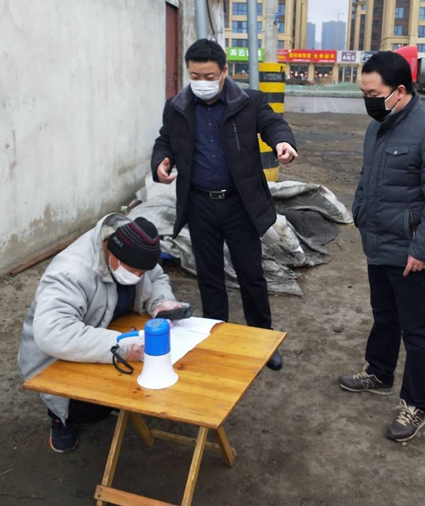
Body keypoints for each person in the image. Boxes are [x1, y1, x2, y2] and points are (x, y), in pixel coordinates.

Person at [151, 39, 297, 371]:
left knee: (251, 275)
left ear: (224, 71)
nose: (201, 82)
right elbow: (165, 139)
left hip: (239, 204)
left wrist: (283, 142)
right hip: (199, 204)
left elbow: (273, 124)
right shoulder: (177, 106)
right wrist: (161, 159)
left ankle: (262, 340)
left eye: (209, 76)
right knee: (209, 277)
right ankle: (215, 337)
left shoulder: (249, 102)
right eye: (195, 76)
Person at [339, 51, 425, 443]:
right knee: (384, 316)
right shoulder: (378, 128)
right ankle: (379, 373)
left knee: (418, 330)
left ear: (400, 91)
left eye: (374, 94)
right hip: (379, 244)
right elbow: (366, 178)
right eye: (364, 93)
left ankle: (416, 403)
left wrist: (423, 250)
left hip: (412, 253)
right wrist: (360, 212)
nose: (368, 101)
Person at [18, 214, 184, 453]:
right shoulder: (70, 272)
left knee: (136, 379)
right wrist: (122, 347)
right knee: (90, 411)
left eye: (142, 272)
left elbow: (155, 276)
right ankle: (59, 417)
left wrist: (161, 302)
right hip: (58, 354)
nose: (139, 277)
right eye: (134, 271)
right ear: (112, 254)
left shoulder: (134, 248)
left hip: (109, 328)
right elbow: (53, 334)